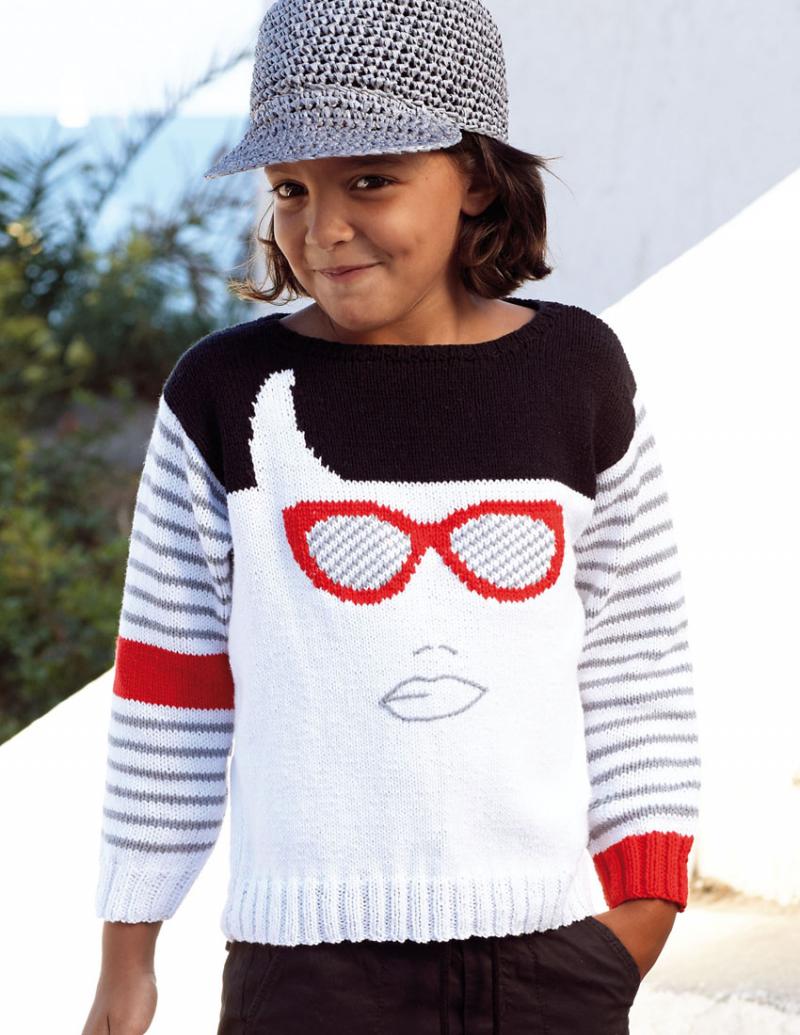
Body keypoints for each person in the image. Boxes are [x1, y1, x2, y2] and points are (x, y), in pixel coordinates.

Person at [81, 1, 702, 1033]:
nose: (321, 229)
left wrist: (639, 915)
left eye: (369, 179)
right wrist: (126, 955)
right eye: (290, 188)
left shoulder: (575, 373)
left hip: (549, 966)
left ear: (475, 177)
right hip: (304, 981)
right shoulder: (224, 393)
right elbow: (172, 688)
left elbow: (633, 658)